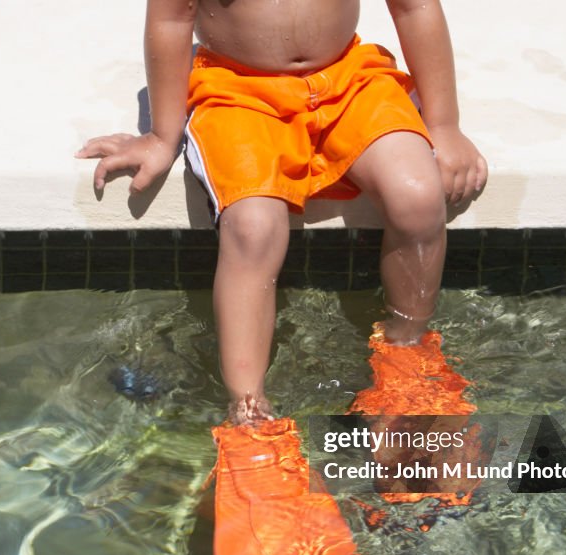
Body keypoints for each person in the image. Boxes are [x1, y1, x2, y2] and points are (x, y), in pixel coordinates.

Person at [77, 0, 487, 425]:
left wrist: (444, 125)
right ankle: (248, 410)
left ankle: (407, 355)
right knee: (253, 228)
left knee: (418, 197)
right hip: (237, 92)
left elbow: (414, 8)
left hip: (350, 80)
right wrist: (163, 137)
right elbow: (171, 17)